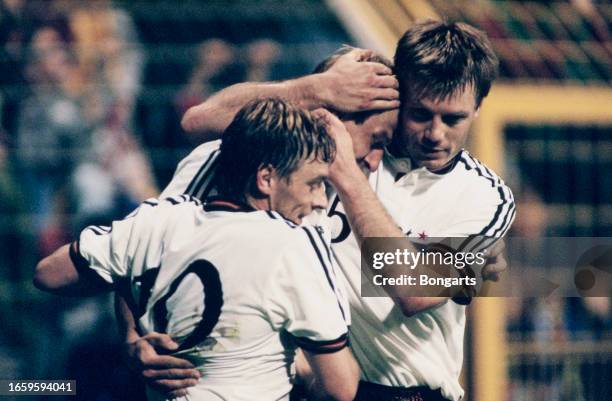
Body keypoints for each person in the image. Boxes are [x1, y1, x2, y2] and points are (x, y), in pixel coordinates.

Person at [128, 21, 514, 401]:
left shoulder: (484, 198)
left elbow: (412, 289)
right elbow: (197, 124)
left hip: (407, 394)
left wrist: (345, 172)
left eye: (453, 118)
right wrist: (317, 89)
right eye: (420, 113)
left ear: (478, 108)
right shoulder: (316, 155)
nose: (435, 133)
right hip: (295, 385)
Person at [34, 98, 359, 401]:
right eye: (315, 183)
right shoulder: (293, 236)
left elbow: (59, 271)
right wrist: (132, 339)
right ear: (266, 178)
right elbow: (410, 291)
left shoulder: (160, 218)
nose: (321, 200)